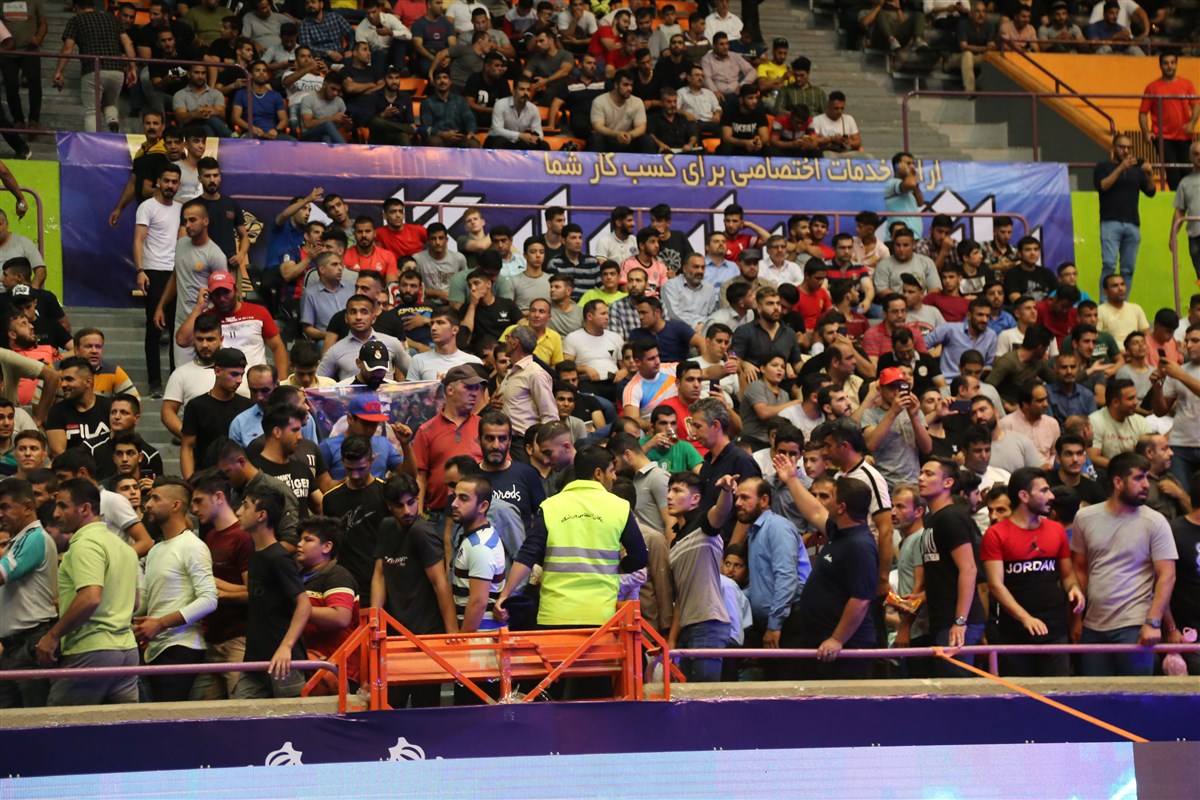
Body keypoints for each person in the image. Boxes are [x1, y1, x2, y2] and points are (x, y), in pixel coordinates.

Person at [494, 446, 647, 630]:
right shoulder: (619, 507)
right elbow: (640, 558)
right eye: (612, 471)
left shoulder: (550, 506)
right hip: (600, 618)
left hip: (554, 616)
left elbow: (528, 554)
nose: (615, 477)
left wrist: (505, 595)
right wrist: (620, 567)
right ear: (598, 474)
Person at [1072, 452, 1177, 677]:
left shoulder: (1155, 522)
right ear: (1118, 482)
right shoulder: (1085, 517)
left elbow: (1167, 576)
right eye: (1139, 478)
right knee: (1093, 694)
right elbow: (1079, 568)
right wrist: (1077, 620)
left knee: (1135, 695)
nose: (1146, 484)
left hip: (1135, 625)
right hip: (1093, 625)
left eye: (1147, 477)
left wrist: (1153, 622)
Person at [37, 478, 139, 705]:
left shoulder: (85, 544)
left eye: (62, 506)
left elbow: (91, 597)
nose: (56, 513)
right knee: (121, 725)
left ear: (85, 509)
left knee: (61, 723)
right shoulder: (123, 547)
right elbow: (134, 603)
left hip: (91, 649)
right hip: (127, 651)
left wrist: (52, 636)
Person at [981, 467, 1085, 677]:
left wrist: (1074, 589)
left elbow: (1067, 575)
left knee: (1058, 692)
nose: (1051, 496)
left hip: (1055, 629)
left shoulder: (1056, 530)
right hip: (1015, 632)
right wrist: (1025, 618)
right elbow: (995, 585)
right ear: (1024, 496)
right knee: (1018, 693)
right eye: (1044, 491)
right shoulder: (995, 534)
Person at [372, 474, 456, 707]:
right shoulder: (387, 527)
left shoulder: (422, 532)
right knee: (391, 704)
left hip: (425, 635)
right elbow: (380, 573)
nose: (408, 510)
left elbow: (440, 583)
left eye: (411, 502)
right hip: (396, 634)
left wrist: (453, 637)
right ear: (389, 506)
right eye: (400, 505)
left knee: (424, 708)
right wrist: (374, 620)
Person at [136, 478, 218, 702]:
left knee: (165, 718)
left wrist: (160, 623)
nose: (148, 504)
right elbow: (147, 599)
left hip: (181, 647)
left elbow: (209, 599)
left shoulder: (193, 546)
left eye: (155, 498)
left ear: (176, 505)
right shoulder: (155, 549)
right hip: (155, 649)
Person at [233, 488, 311, 698]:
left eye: (246, 506)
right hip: (255, 659)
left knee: (291, 718)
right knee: (241, 710)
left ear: (261, 515)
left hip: (283, 662)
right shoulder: (255, 553)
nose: (238, 512)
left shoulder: (278, 557)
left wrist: (286, 647)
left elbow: (304, 604)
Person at [914, 457, 986, 675]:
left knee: (954, 688)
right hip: (943, 619)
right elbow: (945, 574)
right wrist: (921, 598)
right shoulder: (933, 520)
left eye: (929, 474)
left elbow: (969, 569)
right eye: (921, 473)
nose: (921, 478)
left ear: (948, 483)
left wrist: (960, 621)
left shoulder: (951, 518)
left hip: (958, 622)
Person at [663, 470, 738, 681]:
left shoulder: (705, 524)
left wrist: (726, 491)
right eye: (669, 491)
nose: (669, 496)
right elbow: (682, 595)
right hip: (688, 627)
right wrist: (672, 639)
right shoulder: (675, 542)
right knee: (691, 696)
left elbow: (721, 511)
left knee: (705, 696)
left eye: (677, 491)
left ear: (695, 499)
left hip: (708, 624)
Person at [186, 469, 252, 700]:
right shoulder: (211, 537)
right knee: (198, 710)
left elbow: (253, 593)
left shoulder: (243, 537)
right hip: (212, 639)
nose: (194, 509)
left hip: (237, 639)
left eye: (199, 501)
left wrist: (215, 592)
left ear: (219, 497)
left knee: (243, 708)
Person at [0, 478, 58, 709]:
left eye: (5, 507)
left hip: (29, 642)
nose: (0, 514)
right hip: (16, 645)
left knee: (32, 717)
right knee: (10, 718)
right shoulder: (18, 540)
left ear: (28, 507)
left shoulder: (34, 537)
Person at [1094, 134, 1155, 296]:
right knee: (1109, 264)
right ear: (1113, 148)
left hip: (1133, 223)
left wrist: (1150, 174)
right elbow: (1103, 186)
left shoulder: (1136, 170)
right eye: (1122, 147)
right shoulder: (1103, 166)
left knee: (1128, 269)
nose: (1126, 151)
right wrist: (1121, 168)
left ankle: (1123, 301)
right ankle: (1105, 302)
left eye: (1129, 147)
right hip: (1110, 222)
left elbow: (1150, 192)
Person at [1151, 323, 1200, 485]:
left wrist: (1180, 375)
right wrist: (1157, 387)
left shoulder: (1178, 372)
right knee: (1179, 493)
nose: (1189, 345)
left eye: (1195, 340)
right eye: (1187, 341)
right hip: (1179, 445)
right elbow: (1159, 411)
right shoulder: (1178, 371)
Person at [1174, 142, 1200, 283]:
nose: (1199, 157)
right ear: (1190, 157)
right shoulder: (1185, 183)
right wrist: (1173, 236)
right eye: (1196, 154)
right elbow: (1180, 211)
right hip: (1194, 235)